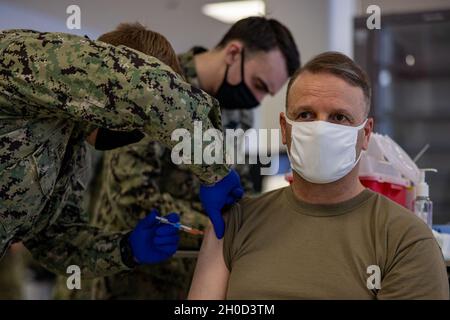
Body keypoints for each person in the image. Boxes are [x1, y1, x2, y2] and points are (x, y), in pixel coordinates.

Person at [188, 52, 450, 300]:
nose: (320, 129)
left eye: (339, 117)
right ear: (284, 128)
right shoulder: (235, 223)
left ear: (366, 133)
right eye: (306, 115)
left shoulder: (406, 239)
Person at [77, 18, 300, 299]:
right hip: (135, 281)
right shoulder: (157, 82)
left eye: (266, 93)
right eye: (257, 84)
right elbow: (129, 197)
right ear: (233, 53)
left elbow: (237, 186)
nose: (256, 99)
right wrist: (219, 231)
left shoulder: (239, 113)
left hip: (202, 281)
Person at [0, 28, 243, 278]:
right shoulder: (23, 57)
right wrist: (215, 172)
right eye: (135, 121)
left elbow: (52, 239)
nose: (133, 133)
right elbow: (150, 88)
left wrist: (127, 249)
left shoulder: (70, 138)